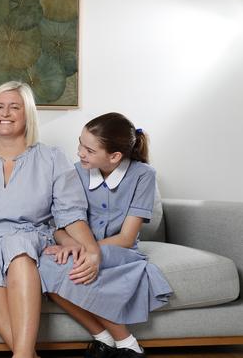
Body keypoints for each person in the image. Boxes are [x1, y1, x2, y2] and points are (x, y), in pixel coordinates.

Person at [0, 81, 100, 358]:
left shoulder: (53, 158)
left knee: (18, 254)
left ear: (28, 114)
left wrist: (92, 251)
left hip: (30, 240)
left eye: (14, 107)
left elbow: (70, 214)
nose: (5, 113)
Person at [39, 113, 173, 358]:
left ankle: (128, 344)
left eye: (89, 150)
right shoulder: (74, 173)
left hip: (119, 249)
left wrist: (87, 250)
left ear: (114, 156)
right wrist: (69, 245)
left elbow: (126, 238)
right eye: (79, 143)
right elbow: (58, 224)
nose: (80, 153)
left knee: (74, 267)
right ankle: (103, 338)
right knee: (46, 265)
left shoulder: (143, 175)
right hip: (81, 247)